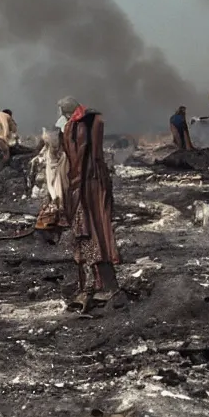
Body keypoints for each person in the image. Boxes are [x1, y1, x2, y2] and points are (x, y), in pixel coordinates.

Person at [58, 96, 120, 311]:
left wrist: (75, 188)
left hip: (88, 187)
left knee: (92, 234)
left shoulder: (81, 126)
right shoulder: (81, 125)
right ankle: (97, 285)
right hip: (89, 186)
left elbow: (81, 160)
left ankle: (104, 286)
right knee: (89, 235)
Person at [34, 126, 69, 237]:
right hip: (54, 168)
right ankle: (58, 213)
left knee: (60, 190)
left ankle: (59, 213)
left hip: (59, 167)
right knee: (56, 191)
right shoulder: (51, 144)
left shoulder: (59, 146)